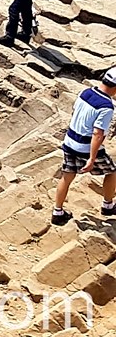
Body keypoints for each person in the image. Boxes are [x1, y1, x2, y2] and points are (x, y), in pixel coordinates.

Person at [52, 67, 116, 225]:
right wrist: (92, 158)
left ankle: (57, 212)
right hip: (84, 147)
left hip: (70, 141)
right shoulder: (106, 106)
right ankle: (108, 205)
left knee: (67, 176)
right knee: (112, 172)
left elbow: (75, 112)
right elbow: (97, 134)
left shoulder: (86, 92)